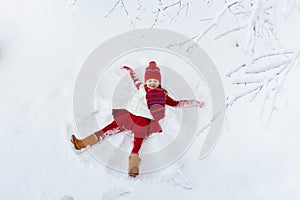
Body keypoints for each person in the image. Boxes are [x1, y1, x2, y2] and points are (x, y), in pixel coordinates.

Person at [71, 61, 205, 177]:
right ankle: (82, 143)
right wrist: (130, 71)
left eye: (155, 81)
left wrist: (194, 102)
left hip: (143, 121)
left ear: (159, 82)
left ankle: (133, 167)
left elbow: (176, 103)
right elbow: (135, 80)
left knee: (137, 143)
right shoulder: (141, 87)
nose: (152, 83)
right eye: (150, 81)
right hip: (127, 116)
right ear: (146, 80)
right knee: (107, 130)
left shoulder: (162, 95)